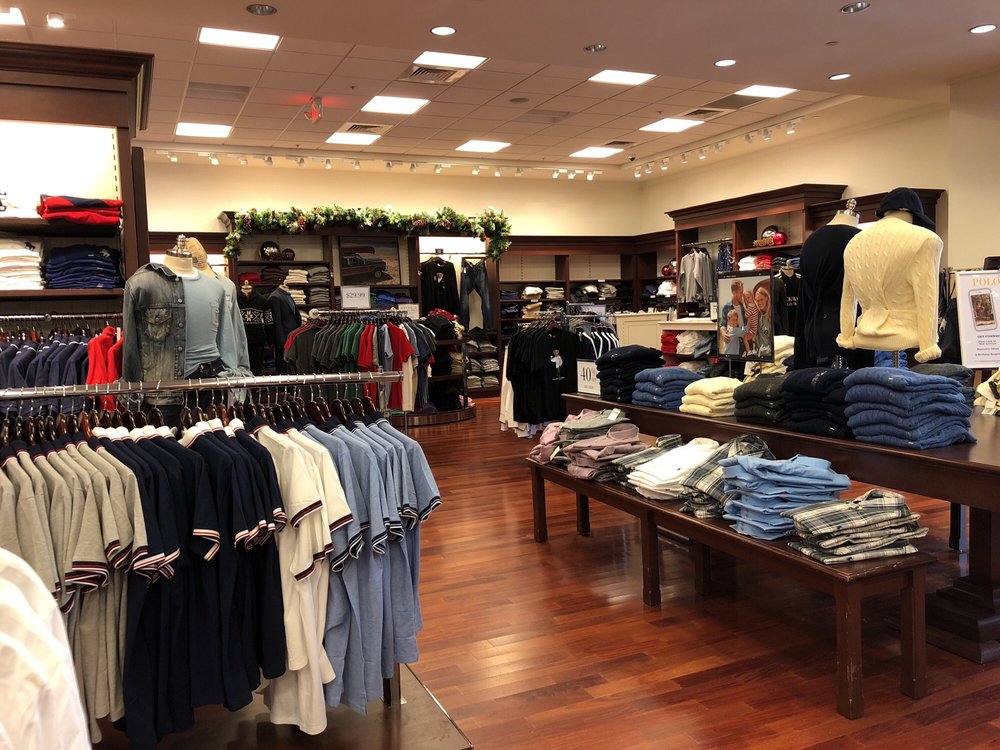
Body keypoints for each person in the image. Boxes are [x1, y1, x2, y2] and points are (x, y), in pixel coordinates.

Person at [753, 280, 774, 359]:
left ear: (767, 298)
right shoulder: (759, 317)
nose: (759, 303)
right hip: (759, 356)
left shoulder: (771, 317)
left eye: (761, 299)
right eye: (757, 300)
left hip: (770, 356)